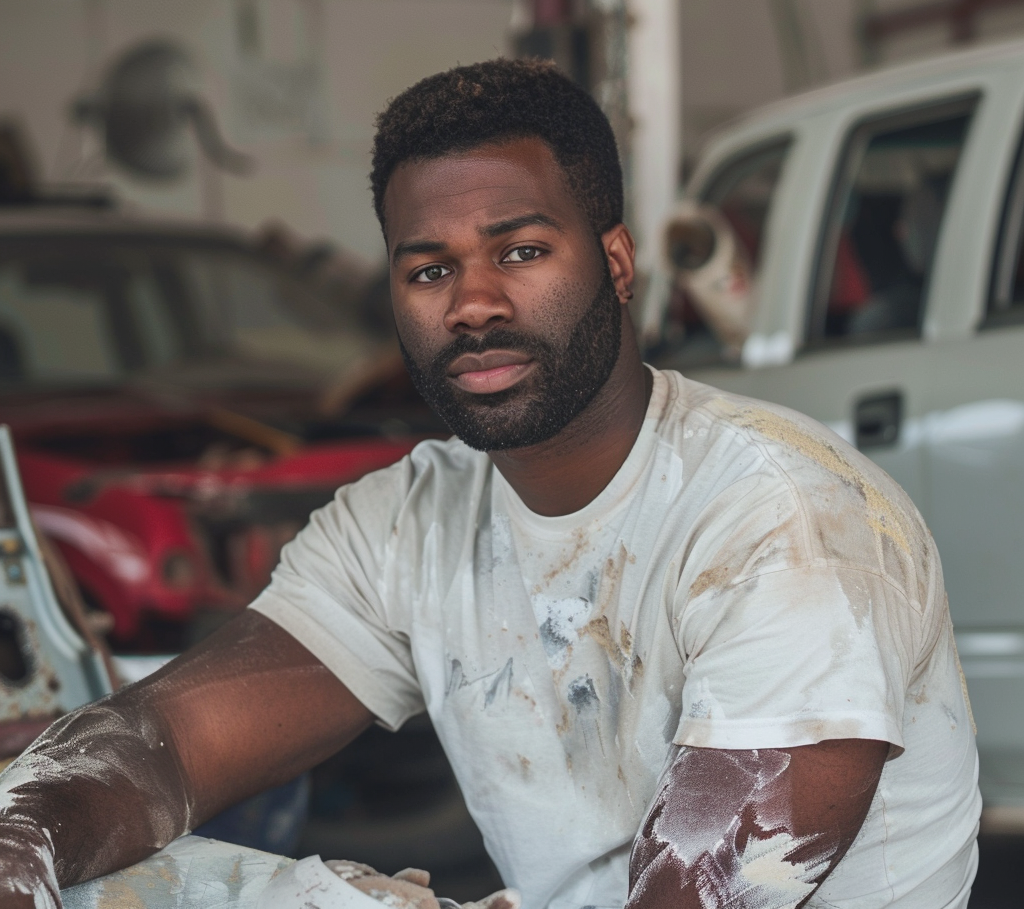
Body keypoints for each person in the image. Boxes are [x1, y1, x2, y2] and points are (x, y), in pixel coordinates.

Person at [0, 59, 979, 909]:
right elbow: (169, 736)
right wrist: (25, 839)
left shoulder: (785, 517)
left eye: (519, 251)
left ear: (616, 261)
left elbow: (700, 885)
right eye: (428, 270)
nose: (472, 304)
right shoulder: (410, 520)